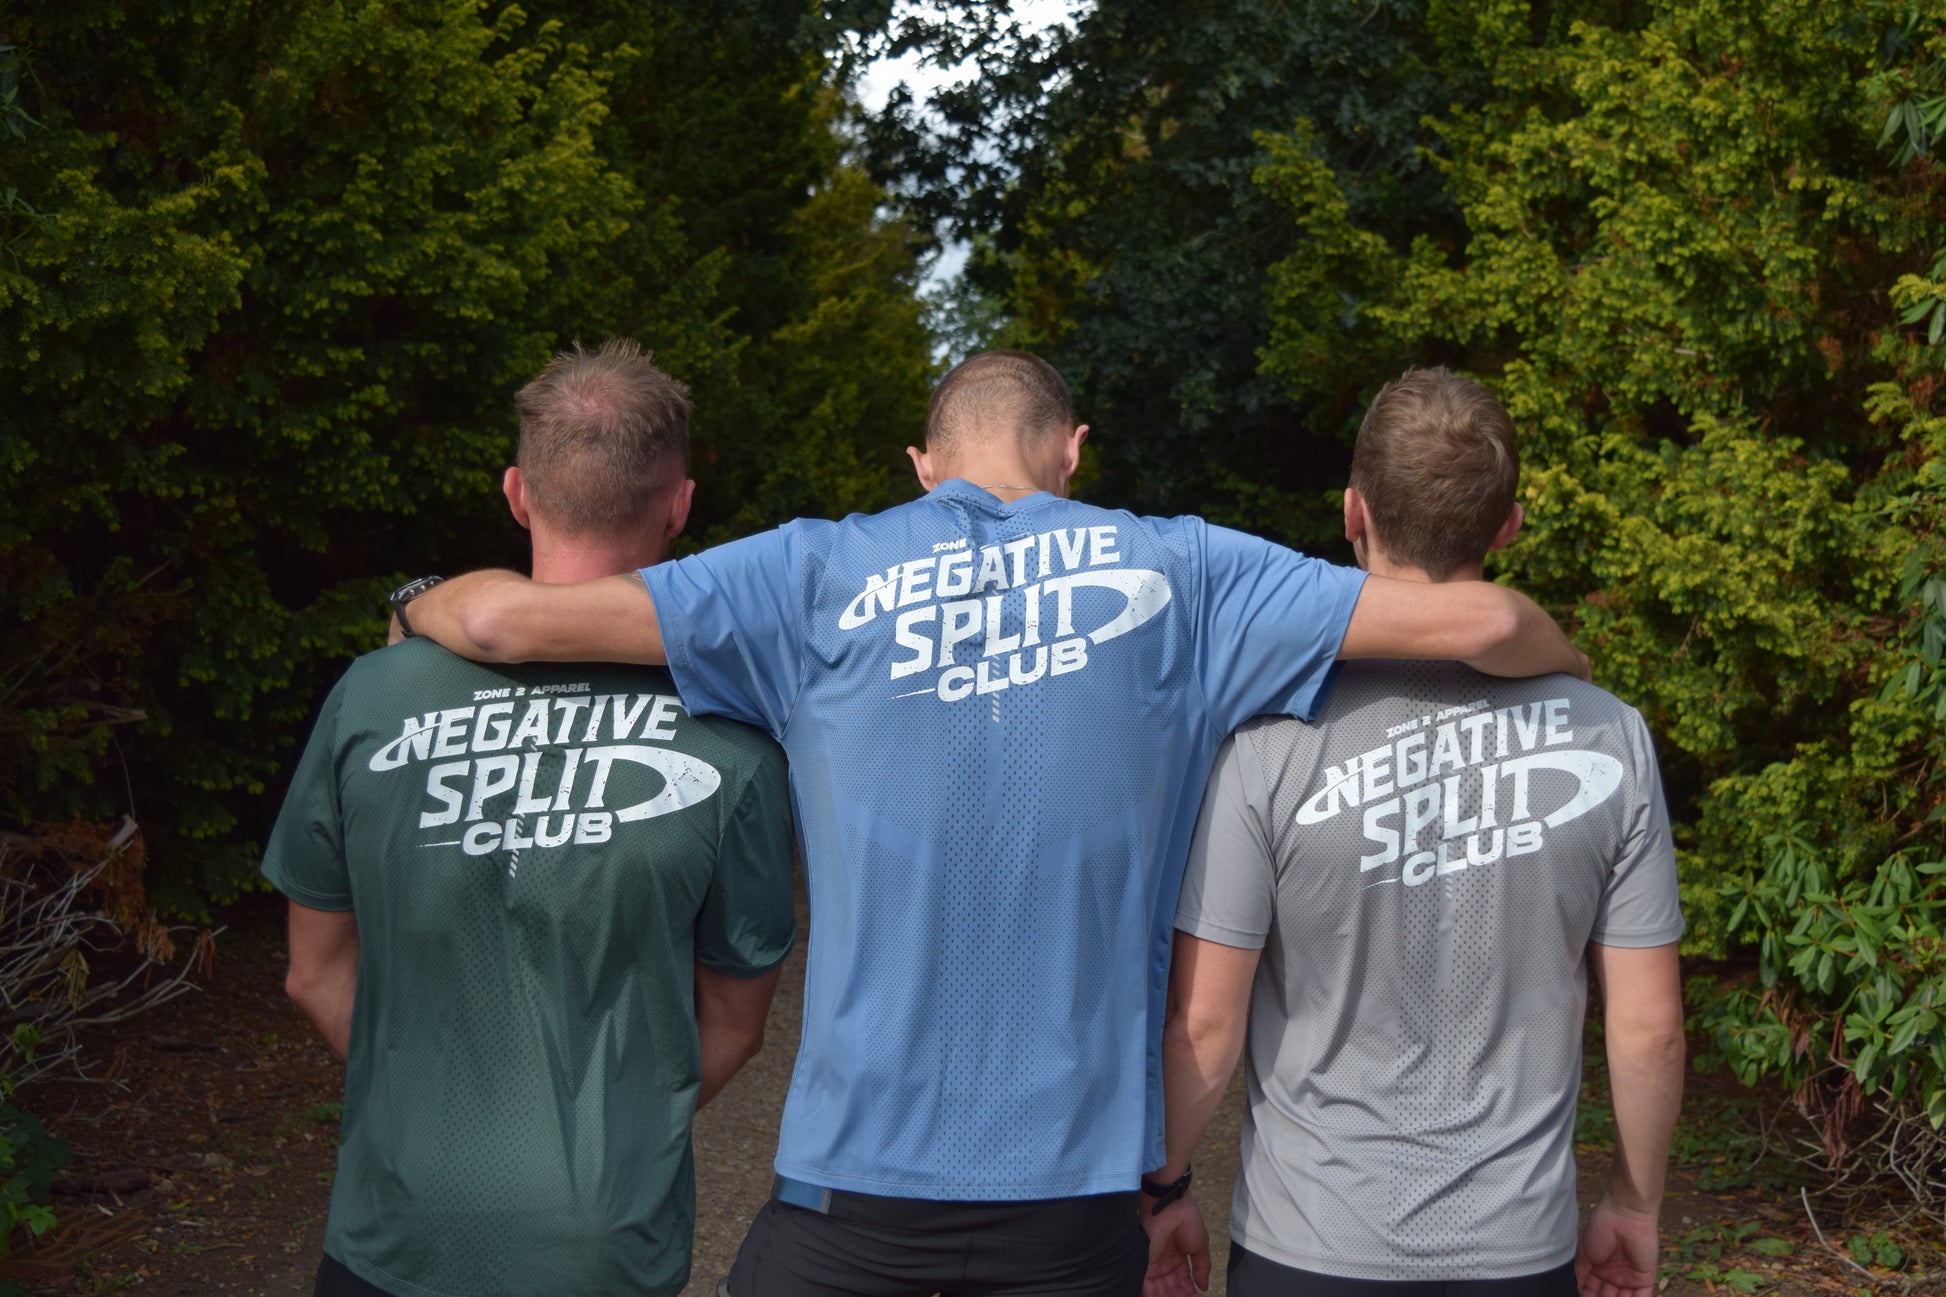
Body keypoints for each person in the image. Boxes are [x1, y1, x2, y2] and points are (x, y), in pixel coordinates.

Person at [395, 350, 1590, 1297]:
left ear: (925, 465)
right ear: (1071, 453)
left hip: (847, 1193)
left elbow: (506, 625)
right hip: (1071, 1203)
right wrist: (1579, 682)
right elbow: (1486, 629)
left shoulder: (807, 576)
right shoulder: (1188, 573)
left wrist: (409, 606)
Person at [264, 339, 797, 1297]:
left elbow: (314, 972)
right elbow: (732, 1020)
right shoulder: (733, 738)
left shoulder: (371, 697)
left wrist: (435, 1105)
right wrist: (607, 1130)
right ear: (679, 504)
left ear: (517, 492)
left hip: (393, 1231)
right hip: (598, 1245)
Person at [1145, 368, 1686, 1297]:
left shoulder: (1270, 739)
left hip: (1305, 1247)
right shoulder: (1610, 734)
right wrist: (1634, 1205)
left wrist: (1162, 1191)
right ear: (1507, 525)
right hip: (1519, 1252)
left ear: (1353, 513)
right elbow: (1647, 1026)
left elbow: (1204, 1022)